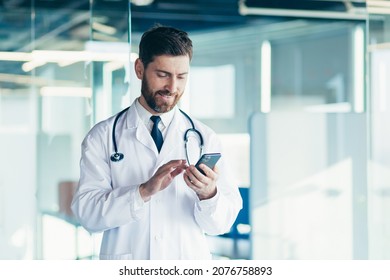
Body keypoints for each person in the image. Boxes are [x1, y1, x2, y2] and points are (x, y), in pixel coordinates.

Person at [71, 25, 242, 260]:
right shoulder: (102, 136)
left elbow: (222, 224)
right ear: (139, 69)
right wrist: (142, 192)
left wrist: (209, 193)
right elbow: (88, 215)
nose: (173, 87)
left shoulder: (205, 137)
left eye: (181, 77)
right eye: (163, 75)